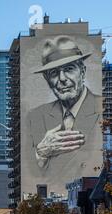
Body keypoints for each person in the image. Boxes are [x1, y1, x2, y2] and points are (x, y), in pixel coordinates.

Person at [26, 35, 103, 184]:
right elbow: (34, 175)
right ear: (47, 80)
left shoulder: (104, 109)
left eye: (69, 69)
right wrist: (41, 154)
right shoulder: (35, 116)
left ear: (82, 71)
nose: (62, 78)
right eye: (54, 73)